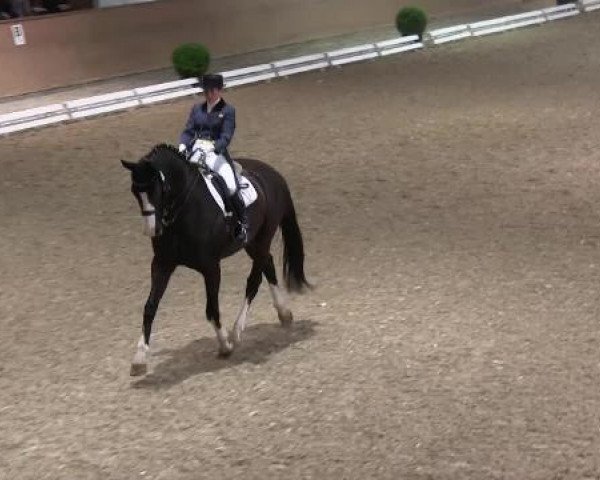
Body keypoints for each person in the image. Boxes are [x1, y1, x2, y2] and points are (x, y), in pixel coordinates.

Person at [178, 73, 248, 243]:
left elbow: (226, 135)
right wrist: (182, 144)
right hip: (195, 150)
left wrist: (215, 148)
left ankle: (241, 223)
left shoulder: (228, 111)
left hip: (216, 153)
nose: (208, 95)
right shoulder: (197, 109)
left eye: (212, 91)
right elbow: (189, 130)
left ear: (219, 90)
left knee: (231, 186)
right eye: (206, 91)